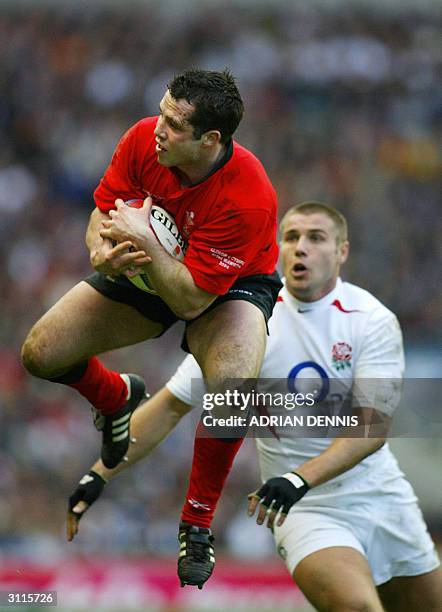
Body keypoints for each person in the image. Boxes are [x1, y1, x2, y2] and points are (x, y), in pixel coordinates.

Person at [67, 202, 442, 609]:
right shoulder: (245, 321)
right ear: (277, 246)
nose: (301, 248)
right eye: (291, 237)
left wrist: (299, 476)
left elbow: (370, 430)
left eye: (316, 238)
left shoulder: (371, 319)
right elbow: (170, 407)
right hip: (304, 509)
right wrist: (100, 472)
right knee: (358, 607)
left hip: (382, 496)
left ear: (342, 251)